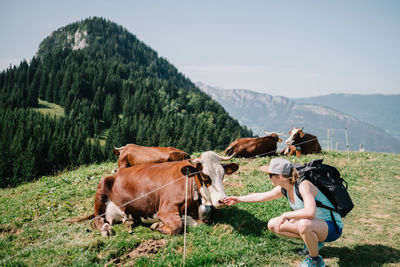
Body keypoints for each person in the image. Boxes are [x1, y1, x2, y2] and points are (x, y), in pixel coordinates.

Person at [223, 158, 343, 267]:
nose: (269, 177)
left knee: (304, 224)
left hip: (332, 227)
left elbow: (310, 212)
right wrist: (238, 199)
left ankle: (315, 260)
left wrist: (286, 215)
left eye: (270, 175)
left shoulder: (303, 185)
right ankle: (314, 242)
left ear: (280, 176)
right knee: (273, 225)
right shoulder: (285, 188)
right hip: (315, 225)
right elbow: (261, 196)